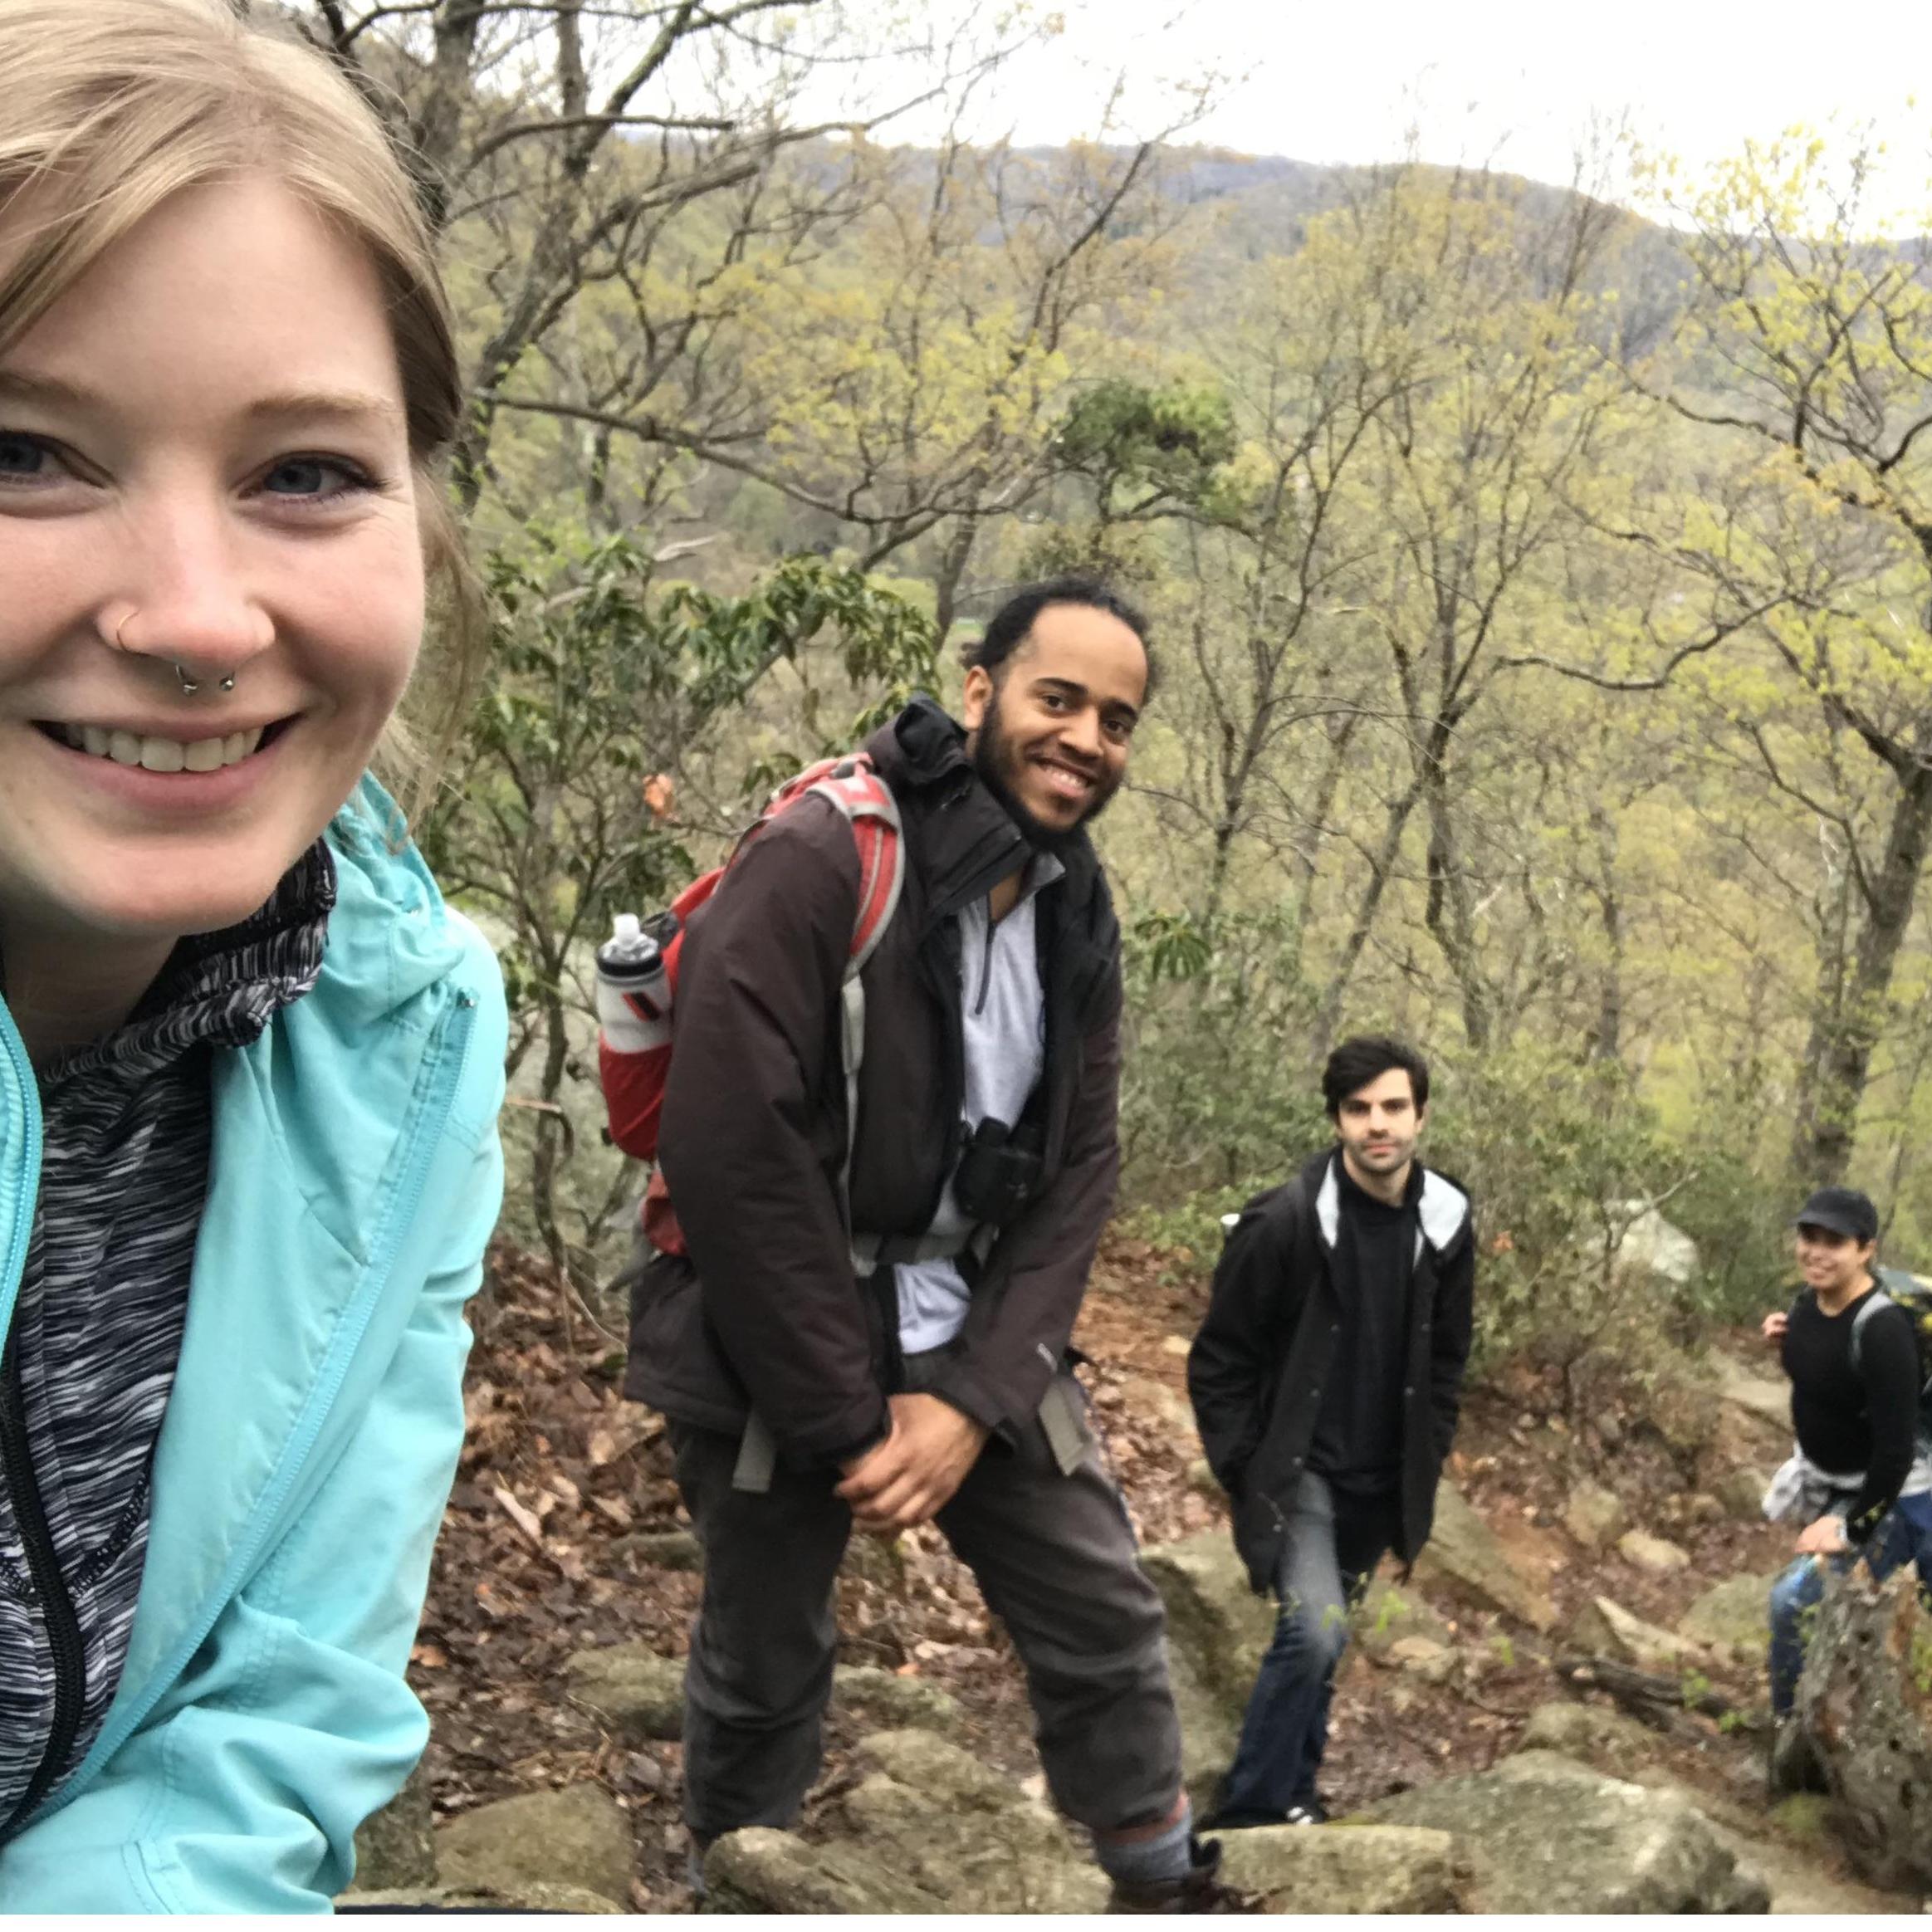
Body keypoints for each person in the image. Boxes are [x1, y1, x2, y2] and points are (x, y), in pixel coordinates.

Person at [0, 0, 506, 1910]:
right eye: (28, 451)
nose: (198, 619)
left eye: (304, 472)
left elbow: (272, 1717)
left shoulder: (403, 1037)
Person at [621, 580, 1240, 1910]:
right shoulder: (825, 853)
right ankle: (741, 1885)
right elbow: (732, 1150)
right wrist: (846, 1422)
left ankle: (1158, 1881)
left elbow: (1079, 1167)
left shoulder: (1072, 900)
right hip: (773, 1318)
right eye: (1057, 698)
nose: (1084, 738)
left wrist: (968, 1397)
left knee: (1103, 1614)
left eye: (1115, 720)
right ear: (980, 691)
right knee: (764, 1656)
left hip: (964, 1313)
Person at [1187, 1036, 1473, 1829]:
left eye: (1391, 1107)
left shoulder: (1447, 1220)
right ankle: (1248, 1812)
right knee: (1314, 1628)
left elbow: (1449, 1355)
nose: (1375, 1125)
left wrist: (1431, 1444)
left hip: (1381, 1475)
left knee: (1330, 1630)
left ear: (1419, 1113)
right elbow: (1220, 1359)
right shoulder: (1283, 1222)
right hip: (1299, 1466)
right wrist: (1248, 1466)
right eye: (1357, 1109)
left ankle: (1293, 1793)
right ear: (1336, 1119)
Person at [1760, 1187, 1932, 1753]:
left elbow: (1894, 1451)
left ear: (1865, 1250)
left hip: (1892, 1492)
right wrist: (1781, 1349)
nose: (1815, 1251)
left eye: (1833, 1241)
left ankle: (1794, 1748)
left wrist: (1849, 1528)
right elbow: (1822, 1381)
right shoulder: (1807, 1303)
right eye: (1808, 1237)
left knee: (1792, 1603)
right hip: (1835, 1479)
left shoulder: (1883, 1331)